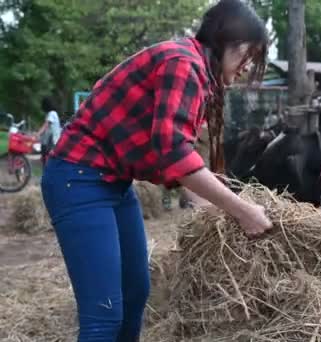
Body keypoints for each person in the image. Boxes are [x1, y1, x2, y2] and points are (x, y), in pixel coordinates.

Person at [40, 1, 273, 340]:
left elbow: (183, 162)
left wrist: (215, 214)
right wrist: (242, 211)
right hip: (79, 178)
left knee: (135, 294)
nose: (246, 67)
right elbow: (175, 155)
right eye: (247, 55)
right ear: (227, 40)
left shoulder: (199, 74)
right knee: (104, 314)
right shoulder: (184, 64)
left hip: (113, 184)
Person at [35, 96, 62, 165]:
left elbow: (45, 125)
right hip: (52, 141)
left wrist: (38, 134)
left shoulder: (52, 113)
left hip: (53, 141)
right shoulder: (51, 114)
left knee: (47, 158)